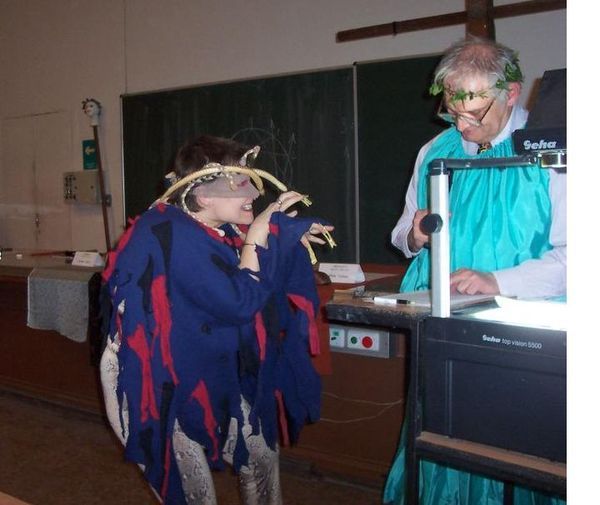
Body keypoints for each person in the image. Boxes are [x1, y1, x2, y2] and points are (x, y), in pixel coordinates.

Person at [99, 134, 335, 505]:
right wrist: (259, 233)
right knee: (193, 493)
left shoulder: (217, 227)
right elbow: (239, 301)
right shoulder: (166, 232)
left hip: (209, 365)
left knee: (261, 457)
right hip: (157, 378)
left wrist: (283, 233)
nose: (254, 194)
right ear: (204, 196)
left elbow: (254, 272)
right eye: (241, 184)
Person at [384, 38, 566, 504]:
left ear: (511, 94)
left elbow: (579, 256)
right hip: (443, 328)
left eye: (475, 114)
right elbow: (403, 232)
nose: (463, 126)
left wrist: (497, 282)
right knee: (443, 439)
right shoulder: (436, 149)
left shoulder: (554, 149)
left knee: (513, 449)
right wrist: (416, 234)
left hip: (525, 337)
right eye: (453, 111)